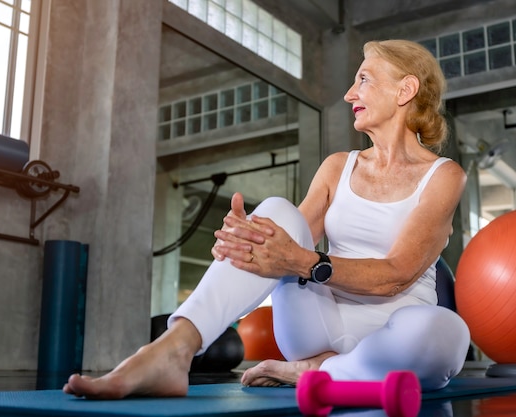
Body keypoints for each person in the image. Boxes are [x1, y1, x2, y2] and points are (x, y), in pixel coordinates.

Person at [63, 39, 470, 400]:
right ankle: (175, 348)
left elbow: (396, 275)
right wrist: (244, 241)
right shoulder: (337, 167)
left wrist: (299, 261)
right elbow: (286, 240)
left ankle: (321, 372)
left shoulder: (443, 175)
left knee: (447, 332)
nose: (349, 94)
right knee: (276, 211)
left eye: (363, 79)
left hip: (396, 338)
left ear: (406, 89)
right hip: (317, 328)